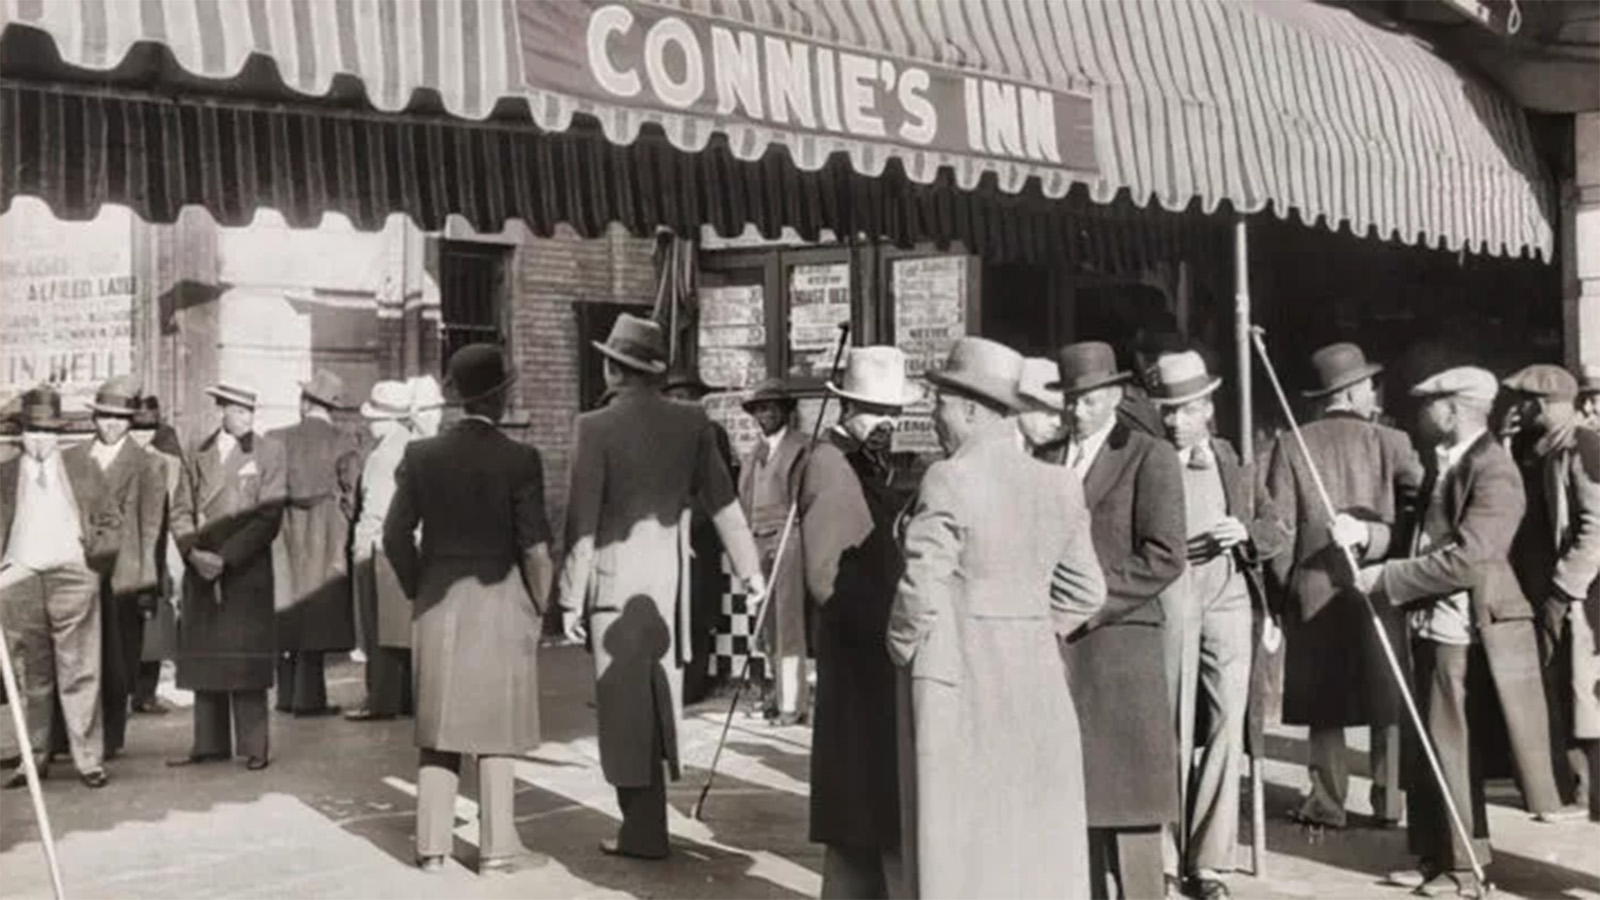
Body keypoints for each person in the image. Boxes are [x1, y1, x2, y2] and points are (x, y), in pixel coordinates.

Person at [889, 337, 1106, 899]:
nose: (934, 416)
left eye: (939, 403)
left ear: (968, 409)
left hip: (955, 677)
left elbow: (921, 583)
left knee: (957, 834)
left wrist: (901, 645)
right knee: (1027, 832)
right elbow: (1088, 591)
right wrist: (1031, 624)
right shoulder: (1060, 483)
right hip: (1036, 678)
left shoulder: (948, 478)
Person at [557, 313, 764, 860]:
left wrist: (568, 597)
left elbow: (582, 519)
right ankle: (648, 825)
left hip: (610, 584)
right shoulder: (692, 422)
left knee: (622, 708)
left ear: (614, 368)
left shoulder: (593, 427)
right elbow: (723, 502)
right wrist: (751, 570)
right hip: (668, 586)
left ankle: (641, 830)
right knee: (656, 702)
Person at [1353, 367, 1562, 894]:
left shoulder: (1495, 470)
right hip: (1432, 622)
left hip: (1465, 629)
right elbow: (1418, 535)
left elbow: (1471, 558)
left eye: (1430, 403)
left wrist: (1388, 577)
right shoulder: (1449, 463)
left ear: (1454, 409)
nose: (1422, 412)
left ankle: (1464, 869)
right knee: (1431, 743)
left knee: (1451, 745)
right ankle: (1436, 856)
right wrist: (1368, 535)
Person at [385, 344, 553, 874]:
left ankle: (432, 848)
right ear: (501, 397)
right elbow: (536, 549)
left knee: (440, 724)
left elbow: (394, 535)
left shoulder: (421, 456)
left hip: (437, 599)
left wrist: (421, 585)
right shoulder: (521, 459)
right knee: (497, 724)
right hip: (502, 598)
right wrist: (538, 604)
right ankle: (498, 847)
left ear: (457, 397)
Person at [1037, 341, 1185, 900]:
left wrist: (1088, 602)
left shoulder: (1149, 455)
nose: (1079, 411)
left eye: (1092, 399)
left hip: (1121, 653)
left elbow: (1164, 554)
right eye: (1072, 399)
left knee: (1131, 810)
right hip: (1057, 653)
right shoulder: (1048, 458)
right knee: (1075, 810)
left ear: (1117, 395)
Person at [1148, 352, 1289, 899]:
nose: (1174, 420)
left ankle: (1210, 863)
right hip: (1174, 589)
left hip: (1229, 591)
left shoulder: (1234, 460)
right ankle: (1162, 854)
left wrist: (1246, 532)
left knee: (1229, 720)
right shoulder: (1152, 459)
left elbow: (1277, 527)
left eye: (1184, 410)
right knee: (1173, 719)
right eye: (1168, 410)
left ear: (1207, 408)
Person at [1266, 342, 1423, 829]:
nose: (1374, 394)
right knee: (1387, 700)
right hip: (1379, 586)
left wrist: (1283, 594)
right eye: (1369, 386)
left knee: (1325, 706)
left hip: (1312, 592)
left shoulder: (1291, 444)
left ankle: (1329, 803)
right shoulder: (1393, 443)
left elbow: (1279, 531)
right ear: (1354, 392)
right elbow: (1419, 518)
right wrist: (1381, 541)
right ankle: (1390, 802)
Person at [802, 348, 917, 898]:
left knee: (868, 797)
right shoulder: (830, 462)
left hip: (873, 651)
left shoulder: (870, 463)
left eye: (893, 411)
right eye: (875, 411)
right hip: (857, 654)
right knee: (858, 796)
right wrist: (885, 627)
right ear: (847, 407)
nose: (886, 423)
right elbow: (825, 576)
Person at [168, 382, 285, 772]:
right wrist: (190, 552)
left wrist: (225, 558)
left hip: (245, 570)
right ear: (221, 410)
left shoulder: (269, 451)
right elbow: (180, 508)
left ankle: (254, 747)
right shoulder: (196, 452)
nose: (244, 419)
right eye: (237, 410)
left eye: (249, 411)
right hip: (201, 567)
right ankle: (208, 743)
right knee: (206, 656)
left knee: (245, 659)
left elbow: (269, 516)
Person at [1502, 364, 1599, 820]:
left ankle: (1584, 792)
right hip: (1547, 588)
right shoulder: (1543, 448)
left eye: (1526, 402)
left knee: (1580, 691)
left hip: (1579, 595)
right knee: (1560, 685)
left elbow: (1596, 529)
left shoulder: (1583, 449)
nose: (1519, 410)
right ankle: (1570, 787)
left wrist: (1564, 587)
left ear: (1544, 405)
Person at [0, 386, 109, 789]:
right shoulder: (5, 475)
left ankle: (88, 760)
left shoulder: (82, 469)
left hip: (71, 577)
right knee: (32, 675)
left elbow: (110, 520)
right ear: (20, 434)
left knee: (79, 670)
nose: (40, 440)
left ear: (59, 435)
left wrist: (93, 563)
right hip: (19, 580)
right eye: (32, 431)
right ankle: (33, 758)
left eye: (48, 432)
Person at [57, 376, 163, 762]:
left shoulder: (147, 465)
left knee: (116, 661)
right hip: (76, 570)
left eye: (120, 418)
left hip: (124, 576)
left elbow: (151, 527)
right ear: (95, 418)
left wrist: (147, 584)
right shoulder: (71, 460)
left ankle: (110, 737)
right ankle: (66, 736)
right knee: (72, 655)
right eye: (105, 417)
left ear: (131, 421)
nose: (112, 425)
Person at [270, 370, 358, 717]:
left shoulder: (277, 438)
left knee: (287, 605)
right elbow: (352, 492)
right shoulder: (344, 440)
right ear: (331, 407)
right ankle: (310, 699)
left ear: (305, 402)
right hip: (325, 530)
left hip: (286, 527)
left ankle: (285, 695)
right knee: (318, 609)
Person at [737, 377, 811, 724]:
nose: (764, 414)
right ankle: (773, 694)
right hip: (757, 541)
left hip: (788, 538)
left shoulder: (802, 448)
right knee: (765, 625)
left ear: (785, 411)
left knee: (788, 624)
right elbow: (744, 501)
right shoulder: (753, 455)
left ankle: (792, 704)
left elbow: (808, 498)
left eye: (771, 407)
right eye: (759, 409)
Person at [664, 369, 737, 705]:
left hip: (700, 535)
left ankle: (694, 684)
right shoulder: (663, 434)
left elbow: (718, 491)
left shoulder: (712, 433)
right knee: (672, 608)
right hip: (668, 537)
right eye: (675, 396)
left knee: (698, 609)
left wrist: (689, 523)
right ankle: (671, 681)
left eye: (688, 397)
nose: (681, 403)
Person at [345, 381, 416, 722]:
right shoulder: (414, 446)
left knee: (378, 627)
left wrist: (360, 549)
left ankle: (380, 700)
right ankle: (405, 698)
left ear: (390, 419)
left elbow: (374, 510)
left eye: (374, 417)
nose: (368, 422)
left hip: (378, 547)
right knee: (402, 625)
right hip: (408, 545)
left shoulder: (382, 455)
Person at [130, 395, 185, 715]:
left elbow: (177, 511)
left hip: (158, 551)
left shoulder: (169, 463)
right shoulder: (112, 459)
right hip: (123, 554)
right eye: (137, 428)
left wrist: (175, 560)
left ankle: (145, 693)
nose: (142, 435)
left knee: (155, 626)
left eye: (148, 428)